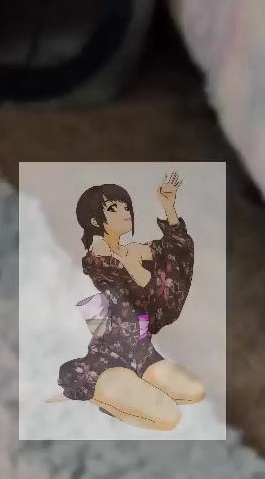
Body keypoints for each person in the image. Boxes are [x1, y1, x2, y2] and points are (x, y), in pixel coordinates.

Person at [52, 172, 204, 429]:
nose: (125, 212)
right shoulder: (98, 258)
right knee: (169, 418)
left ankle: (132, 387)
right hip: (112, 353)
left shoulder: (131, 251)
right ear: (95, 221)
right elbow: (143, 285)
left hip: (143, 351)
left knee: (196, 391)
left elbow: (176, 249)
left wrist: (169, 208)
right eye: (113, 208)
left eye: (125, 206)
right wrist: (135, 263)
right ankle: (98, 392)